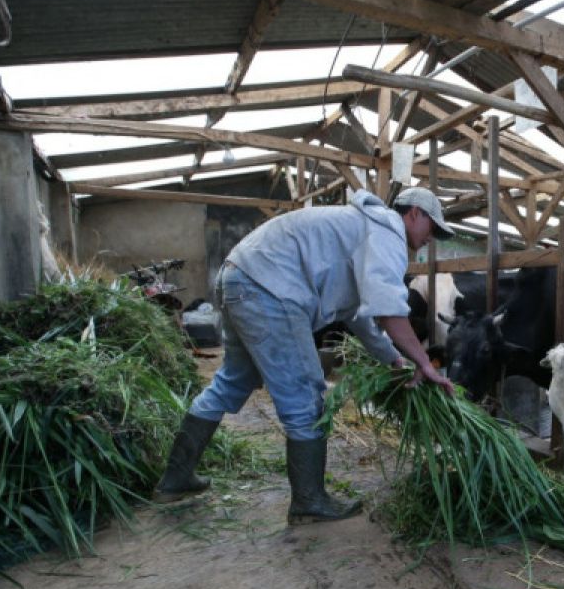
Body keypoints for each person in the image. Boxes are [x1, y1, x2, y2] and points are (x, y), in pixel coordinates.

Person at [154, 186, 455, 524]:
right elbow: (389, 311)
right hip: (270, 289)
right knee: (307, 398)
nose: (434, 238)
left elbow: (361, 317)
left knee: (231, 381)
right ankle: (309, 502)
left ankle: (175, 479)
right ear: (415, 213)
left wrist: (394, 359)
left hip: (241, 277)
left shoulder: (360, 227)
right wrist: (424, 363)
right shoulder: (387, 231)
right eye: (434, 228)